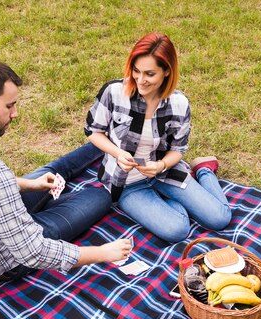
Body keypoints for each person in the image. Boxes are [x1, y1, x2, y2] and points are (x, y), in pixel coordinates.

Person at [0, 57, 132, 287]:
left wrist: (31, 185)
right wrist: (102, 252)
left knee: (53, 172)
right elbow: (33, 253)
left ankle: (108, 141)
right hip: (0, 260)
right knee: (99, 195)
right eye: (9, 105)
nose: (15, 113)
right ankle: (109, 157)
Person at [84, 33, 232, 242]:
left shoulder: (179, 104)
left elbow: (178, 150)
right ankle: (176, 201)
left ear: (166, 72)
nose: (140, 80)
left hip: (165, 172)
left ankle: (204, 169)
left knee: (220, 219)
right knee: (177, 231)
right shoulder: (114, 92)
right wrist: (117, 153)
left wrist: (161, 165)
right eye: (136, 71)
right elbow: (93, 131)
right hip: (127, 182)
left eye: (149, 74)